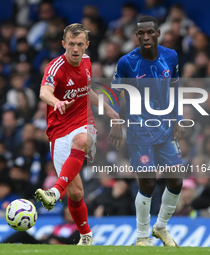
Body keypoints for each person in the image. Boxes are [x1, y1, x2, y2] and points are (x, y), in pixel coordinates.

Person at [34, 23, 118, 245]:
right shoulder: (55, 68)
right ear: (64, 44)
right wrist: (56, 102)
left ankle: (54, 191)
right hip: (58, 130)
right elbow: (44, 91)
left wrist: (108, 109)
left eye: (80, 44)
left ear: (86, 45)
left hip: (83, 121)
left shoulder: (88, 62)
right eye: (71, 44)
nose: (75, 49)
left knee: (82, 141)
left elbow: (86, 90)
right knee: (77, 193)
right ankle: (86, 235)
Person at [110, 16, 185, 246]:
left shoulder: (170, 57)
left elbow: (175, 88)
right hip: (138, 131)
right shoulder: (127, 63)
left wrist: (178, 119)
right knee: (148, 183)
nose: (145, 37)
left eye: (149, 32)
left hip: (164, 130)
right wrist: (115, 122)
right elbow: (114, 93)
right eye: (140, 33)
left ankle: (160, 227)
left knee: (176, 181)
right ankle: (142, 237)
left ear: (158, 33)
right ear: (136, 35)